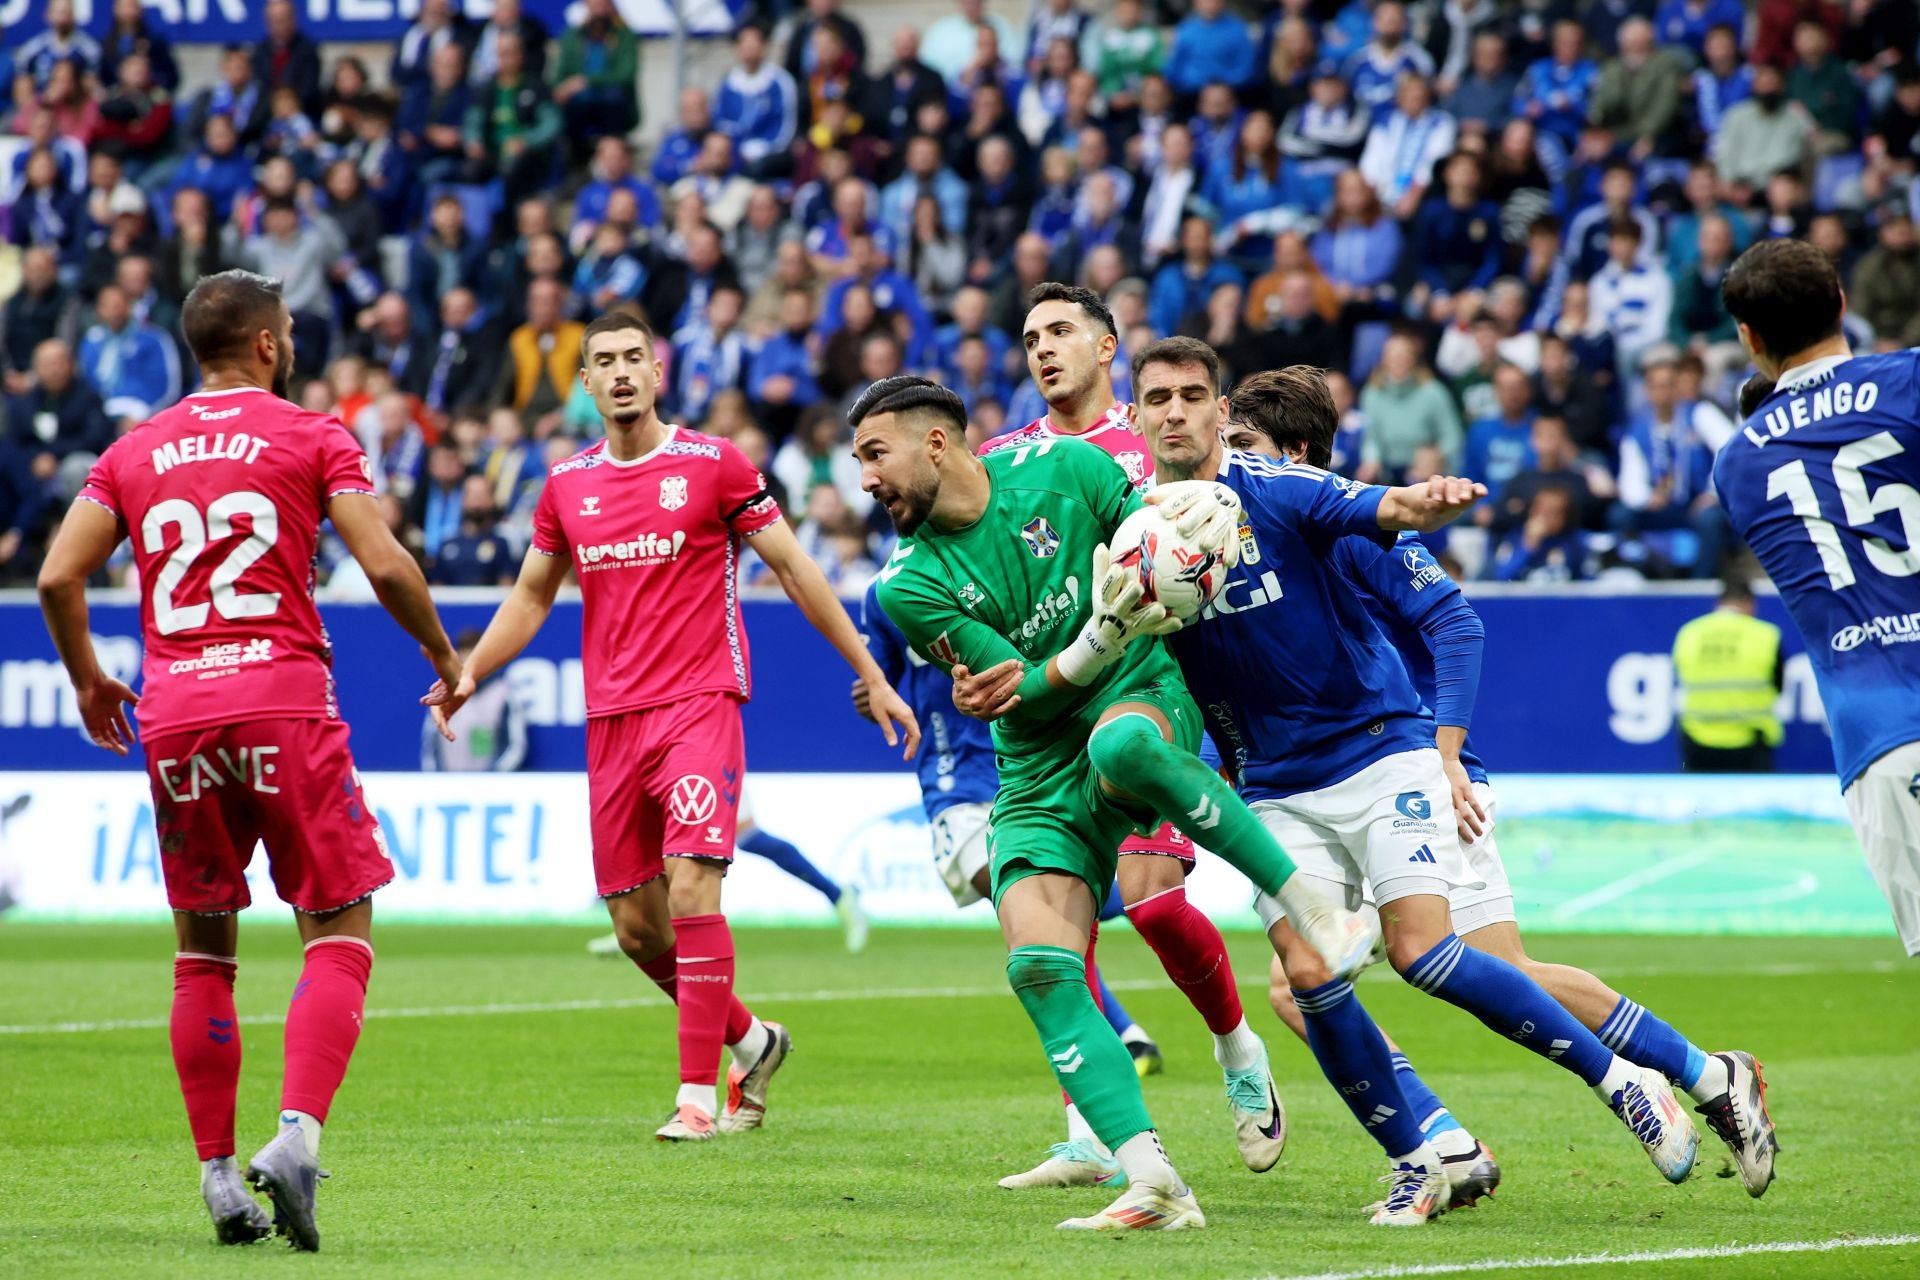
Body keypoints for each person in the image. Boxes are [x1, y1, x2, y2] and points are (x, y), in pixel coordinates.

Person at [1118, 346, 1719, 1222]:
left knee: (1426, 955)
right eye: (1156, 399)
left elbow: (1377, 509)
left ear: (1217, 410)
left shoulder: (1278, 488)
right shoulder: (1137, 530)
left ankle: (1625, 1079)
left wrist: (1417, 502)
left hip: (1378, 751)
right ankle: (1424, 1157)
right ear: (1136, 418)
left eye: (1191, 396)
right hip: (1274, 787)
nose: (1173, 411)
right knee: (1308, 978)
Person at [856, 371, 1375, 1231]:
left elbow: (1164, 535)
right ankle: (1155, 1184)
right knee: (1039, 967)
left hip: (1139, 700)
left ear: (934, 443)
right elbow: (1027, 695)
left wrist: (1188, 549)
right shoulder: (907, 584)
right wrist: (1098, 630)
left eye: (875, 454)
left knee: (1128, 773)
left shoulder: (1066, 470)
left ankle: (1314, 921)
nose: (864, 478)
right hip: (1032, 766)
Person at [34, 270, 463, 1251]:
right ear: (269, 345)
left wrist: (93, 680)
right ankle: (298, 1137)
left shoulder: (132, 450)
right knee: (338, 923)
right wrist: (445, 654)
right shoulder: (313, 435)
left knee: (204, 948)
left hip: (177, 712)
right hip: (281, 698)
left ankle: (221, 1178)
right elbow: (387, 563)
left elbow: (60, 573)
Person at [427, 312, 919, 1141]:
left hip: (700, 702)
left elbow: (795, 569)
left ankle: (697, 1095)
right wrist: (471, 671)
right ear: (585, 385)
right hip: (612, 721)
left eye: (632, 359)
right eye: (603, 363)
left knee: (693, 884)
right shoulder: (565, 486)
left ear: (657, 374)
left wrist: (869, 668)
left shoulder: (713, 466)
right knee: (635, 929)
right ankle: (754, 1041)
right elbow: (532, 596)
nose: (619, 373)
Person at [853, 577, 1164, 1073]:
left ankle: (1128, 1013)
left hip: (1027, 767)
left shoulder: (992, 566)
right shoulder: (883, 596)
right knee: (1018, 894)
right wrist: (873, 698)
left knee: (1045, 906)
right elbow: (881, 686)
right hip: (954, 781)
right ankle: (1126, 1020)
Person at [1714, 238, 1920, 957]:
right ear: (1842, 301)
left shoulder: (1737, 463)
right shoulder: (1911, 382)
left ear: (1750, 338)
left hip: (1883, 733)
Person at [1671, 582, 1785, 773]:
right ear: (1751, 604)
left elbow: (1680, 675)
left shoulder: (1689, 632)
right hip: (1751, 740)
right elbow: (1779, 686)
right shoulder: (1766, 635)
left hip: (1698, 739)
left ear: (1718, 604)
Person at [422, 628, 528, 771]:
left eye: (472, 656)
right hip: (448, 788)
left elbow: (514, 747)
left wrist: (490, 781)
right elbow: (431, 747)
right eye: (464, 655)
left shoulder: (503, 695)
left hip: (491, 790)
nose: (467, 662)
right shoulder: (441, 696)